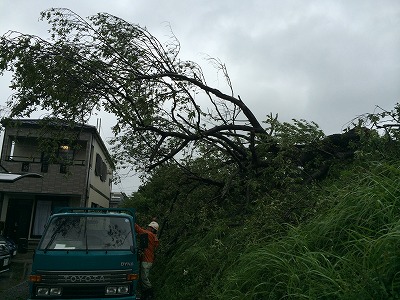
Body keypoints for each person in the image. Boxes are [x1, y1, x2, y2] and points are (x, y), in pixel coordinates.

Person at [135, 219, 160, 299]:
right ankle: (145, 294)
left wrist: (131, 220)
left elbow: (139, 230)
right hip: (149, 260)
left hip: (146, 260)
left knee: (144, 278)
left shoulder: (149, 234)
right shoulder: (154, 237)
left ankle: (149, 295)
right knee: (144, 277)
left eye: (149, 227)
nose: (147, 228)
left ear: (152, 229)